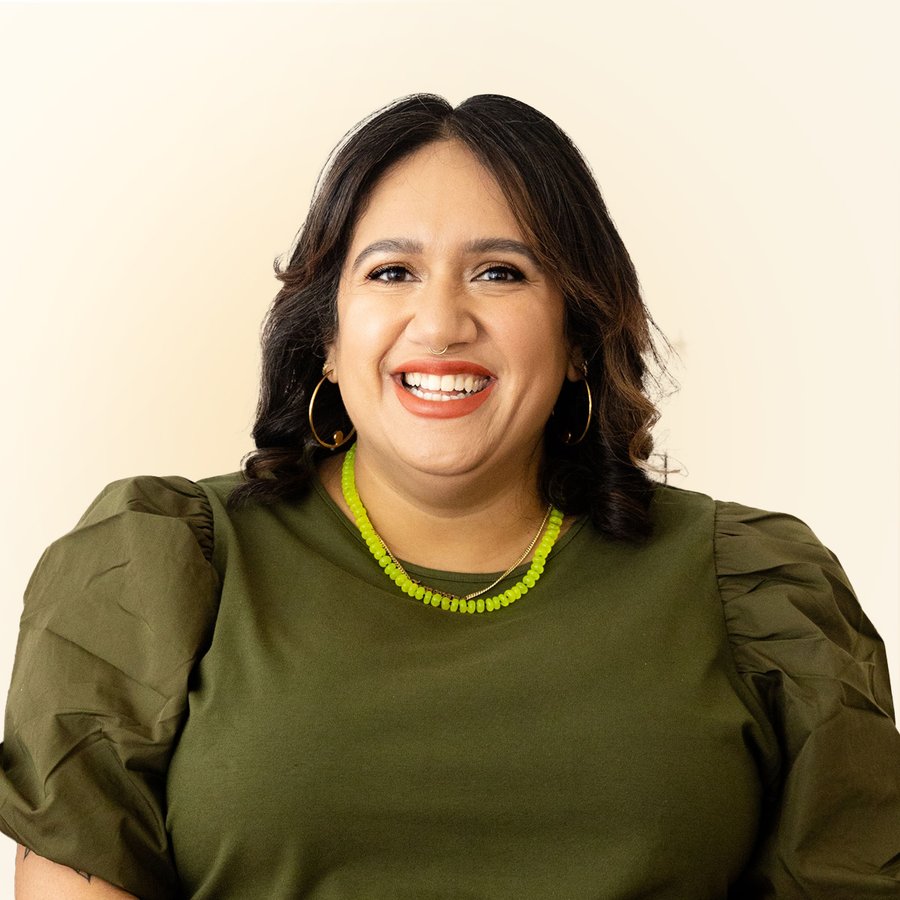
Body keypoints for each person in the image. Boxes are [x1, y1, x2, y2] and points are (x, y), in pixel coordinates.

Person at [1, 93, 898, 899]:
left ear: (577, 335)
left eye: (500, 272)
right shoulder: (159, 566)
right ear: (327, 337)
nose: (440, 324)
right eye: (391, 272)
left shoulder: (760, 591)